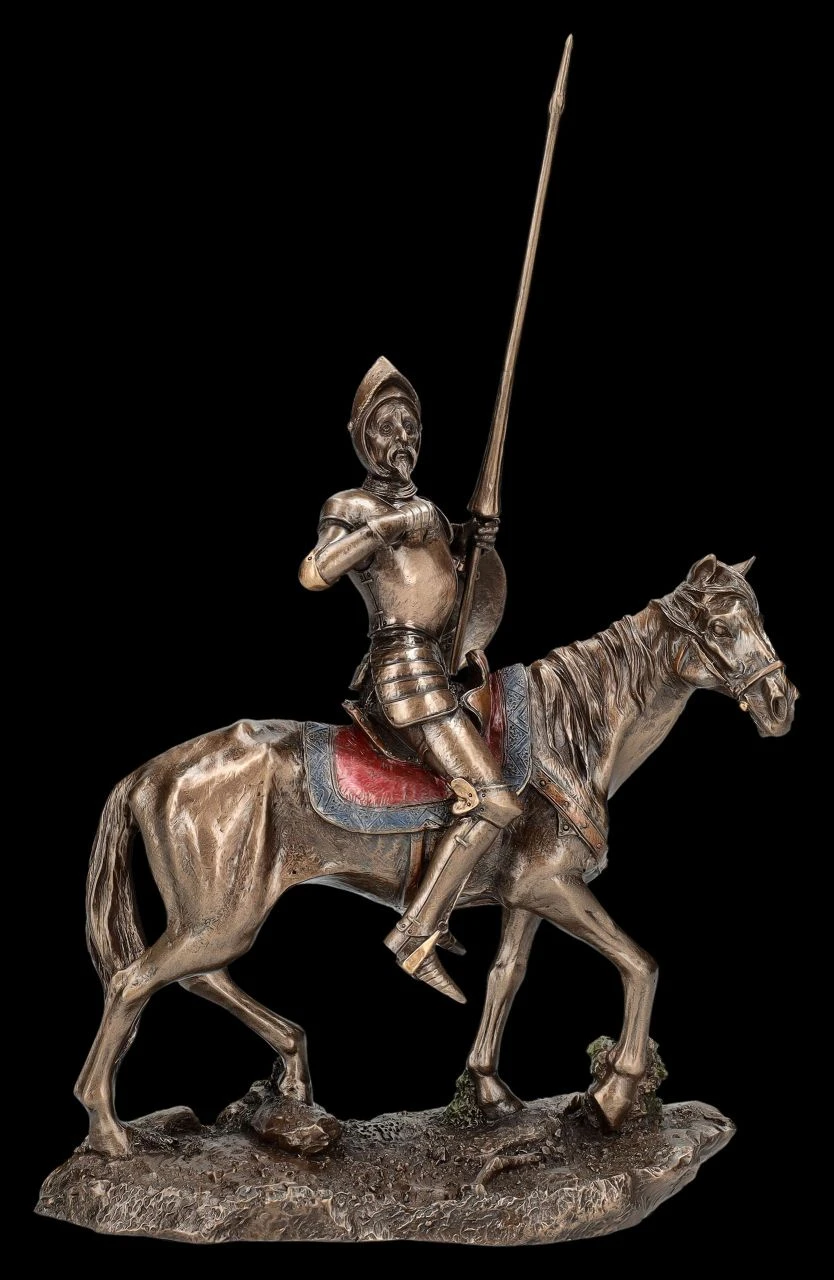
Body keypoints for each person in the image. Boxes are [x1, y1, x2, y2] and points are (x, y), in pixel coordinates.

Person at [299, 356, 522, 1002]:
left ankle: (435, 901)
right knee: (494, 799)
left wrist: (471, 540)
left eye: (410, 427)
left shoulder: (428, 511)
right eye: (386, 425)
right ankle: (416, 932)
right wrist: (389, 526)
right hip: (403, 674)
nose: (401, 438)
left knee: (468, 791)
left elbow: (456, 586)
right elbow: (314, 572)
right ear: (360, 435)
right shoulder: (350, 505)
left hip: (439, 667)